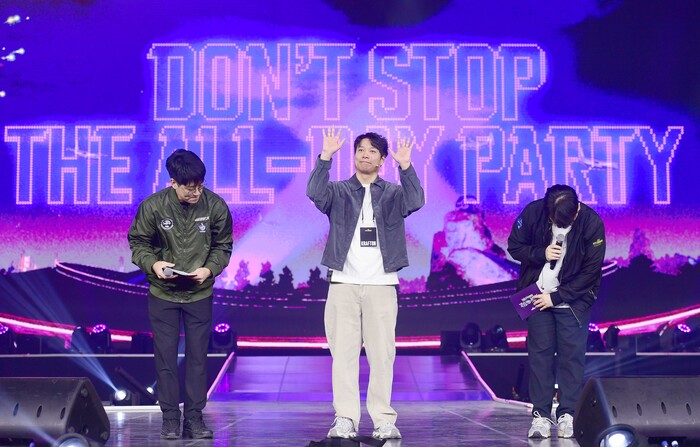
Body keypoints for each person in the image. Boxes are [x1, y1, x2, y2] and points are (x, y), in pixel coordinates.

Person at [307, 129, 425, 440]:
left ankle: (383, 419)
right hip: (343, 282)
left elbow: (416, 200)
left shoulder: (393, 194)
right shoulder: (338, 191)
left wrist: (406, 166)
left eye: (372, 151)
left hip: (381, 284)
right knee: (343, 355)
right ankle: (345, 418)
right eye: (360, 149)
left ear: (382, 159)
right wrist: (325, 157)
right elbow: (315, 193)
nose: (365, 154)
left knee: (382, 355)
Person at [128, 149, 232, 440]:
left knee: (198, 359)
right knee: (166, 359)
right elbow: (138, 243)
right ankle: (171, 419)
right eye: (189, 187)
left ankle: (194, 419)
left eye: (200, 186)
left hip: (199, 294)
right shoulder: (153, 207)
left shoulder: (216, 206)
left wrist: (209, 269)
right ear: (173, 182)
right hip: (163, 294)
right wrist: (153, 264)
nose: (196, 192)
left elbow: (223, 246)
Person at [507, 184, 606, 439]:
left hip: (572, 301)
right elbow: (514, 246)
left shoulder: (592, 223)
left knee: (571, 358)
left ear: (576, 212)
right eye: (552, 219)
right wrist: (540, 253)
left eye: (561, 221)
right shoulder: (534, 212)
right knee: (539, 357)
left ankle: (567, 415)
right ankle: (540, 416)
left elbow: (591, 272)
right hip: (536, 296)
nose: (555, 223)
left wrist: (556, 297)